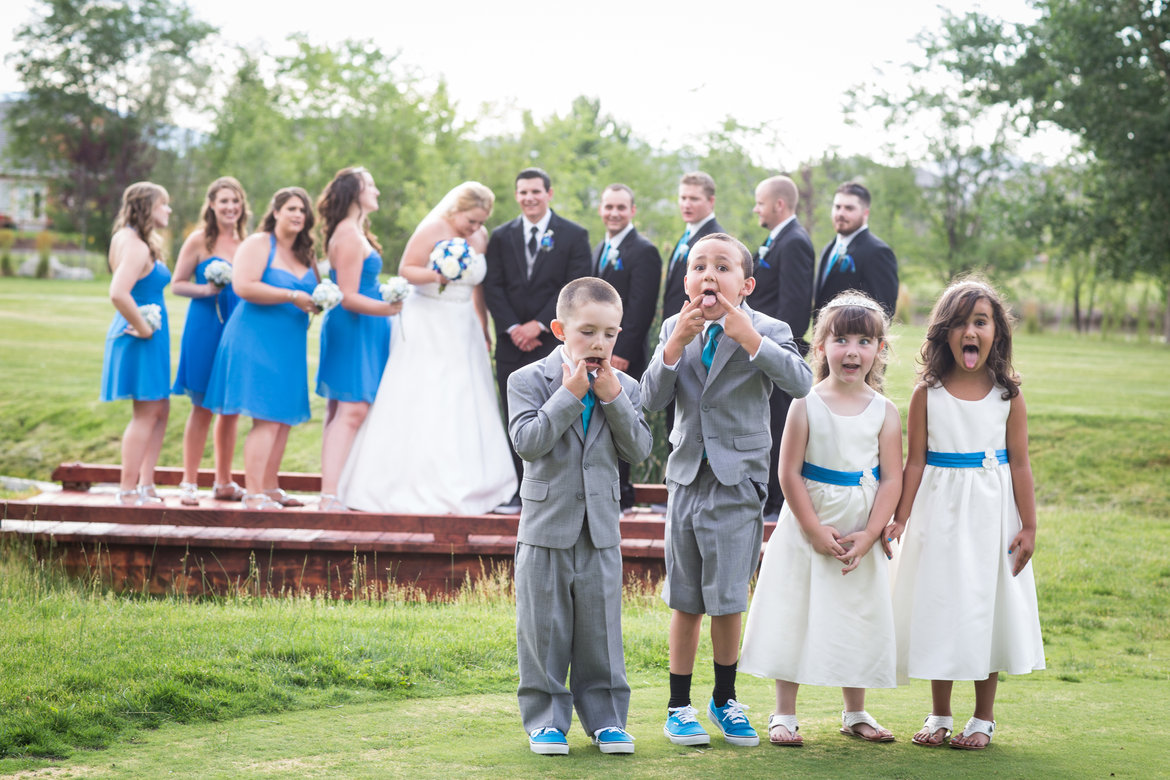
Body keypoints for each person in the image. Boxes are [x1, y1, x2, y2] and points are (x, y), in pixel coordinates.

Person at [640, 233, 813, 747]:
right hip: (687, 476)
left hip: (740, 480)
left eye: (722, 267)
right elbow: (651, 399)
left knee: (728, 597)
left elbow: (801, 382)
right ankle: (678, 705)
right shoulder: (676, 327)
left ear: (747, 283)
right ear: (687, 280)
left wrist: (749, 338)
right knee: (685, 597)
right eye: (698, 267)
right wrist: (672, 346)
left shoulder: (768, 328)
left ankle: (725, 698)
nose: (708, 275)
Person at [887, 277, 1045, 750]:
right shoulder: (926, 395)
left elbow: (1020, 462)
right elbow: (914, 461)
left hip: (992, 515)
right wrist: (900, 517)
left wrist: (1030, 525)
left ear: (996, 332)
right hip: (938, 511)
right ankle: (939, 713)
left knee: (985, 604)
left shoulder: (1007, 396)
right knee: (940, 603)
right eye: (959, 323)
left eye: (980, 322)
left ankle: (983, 717)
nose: (969, 331)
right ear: (944, 333)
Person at [739, 291, 902, 746]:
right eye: (842, 340)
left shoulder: (885, 411)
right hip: (808, 523)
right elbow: (788, 471)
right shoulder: (804, 404)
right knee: (795, 608)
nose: (853, 351)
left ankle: (855, 711)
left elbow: (891, 479)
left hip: (858, 529)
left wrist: (870, 533)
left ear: (880, 350)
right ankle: (784, 714)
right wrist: (812, 528)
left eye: (865, 342)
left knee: (857, 612)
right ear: (821, 347)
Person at [507, 278, 653, 756]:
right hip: (547, 525)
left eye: (610, 333)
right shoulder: (527, 381)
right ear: (559, 329)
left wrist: (612, 399)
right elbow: (528, 442)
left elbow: (640, 449)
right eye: (587, 331)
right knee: (543, 628)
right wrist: (570, 393)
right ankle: (546, 720)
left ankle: (607, 718)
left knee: (601, 631)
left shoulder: (625, 386)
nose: (599, 343)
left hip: (600, 527)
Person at [339, 182, 517, 515]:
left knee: (467, 396)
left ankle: (475, 482)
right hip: (429, 319)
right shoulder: (434, 227)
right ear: (457, 209)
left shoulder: (480, 238)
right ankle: (411, 481)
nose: (474, 228)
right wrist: (438, 275)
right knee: (429, 393)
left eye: (480, 222)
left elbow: (478, 286)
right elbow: (407, 268)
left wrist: (482, 323)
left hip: (463, 323)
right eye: (470, 221)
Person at [203, 187, 320, 510]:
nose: (298, 215)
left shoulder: (305, 253)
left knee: (282, 416)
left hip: (290, 343)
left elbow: (315, 290)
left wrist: (319, 301)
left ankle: (270, 487)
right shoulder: (258, 243)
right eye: (292, 208)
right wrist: (292, 296)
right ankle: (253, 493)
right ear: (277, 211)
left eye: (303, 211)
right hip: (255, 339)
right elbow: (244, 286)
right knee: (266, 416)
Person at [483, 168, 592, 513]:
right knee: (516, 415)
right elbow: (493, 286)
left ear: (549, 193)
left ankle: (558, 492)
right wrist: (514, 326)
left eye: (535, 191)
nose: (529, 197)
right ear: (516, 196)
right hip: (511, 342)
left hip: (552, 342)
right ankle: (519, 491)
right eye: (522, 192)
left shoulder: (574, 235)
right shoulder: (501, 237)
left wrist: (539, 325)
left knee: (556, 415)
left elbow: (575, 285)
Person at [315, 167, 403, 512]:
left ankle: (336, 488)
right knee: (351, 409)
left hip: (364, 326)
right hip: (354, 325)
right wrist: (390, 308)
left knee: (343, 408)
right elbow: (347, 295)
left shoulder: (355, 230)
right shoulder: (349, 234)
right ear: (355, 193)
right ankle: (328, 496)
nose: (377, 191)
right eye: (371, 186)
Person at [171, 176, 250, 506]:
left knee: (230, 408)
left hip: (238, 326)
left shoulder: (248, 242)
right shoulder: (199, 240)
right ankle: (189, 482)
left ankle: (224, 481)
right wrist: (206, 290)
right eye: (224, 201)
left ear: (242, 206)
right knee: (202, 406)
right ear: (212, 205)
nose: (230, 207)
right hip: (205, 325)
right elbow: (177, 284)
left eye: (235, 201)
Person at [100, 182, 173, 506]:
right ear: (147, 207)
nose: (168, 210)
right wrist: (144, 328)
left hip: (149, 333)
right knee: (146, 412)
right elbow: (118, 291)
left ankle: (147, 484)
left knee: (159, 408)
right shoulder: (136, 245)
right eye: (164, 204)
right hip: (141, 334)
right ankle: (129, 490)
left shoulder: (127, 238)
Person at [750, 174, 816, 519]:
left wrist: (770, 347)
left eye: (760, 202)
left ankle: (777, 503)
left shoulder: (794, 243)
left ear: (778, 204)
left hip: (777, 352)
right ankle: (770, 498)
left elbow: (794, 305)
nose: (755, 209)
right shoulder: (777, 240)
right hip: (763, 350)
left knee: (778, 427)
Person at [593, 183, 662, 509]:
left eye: (621, 207)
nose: (614, 213)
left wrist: (620, 353)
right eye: (609, 207)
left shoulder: (644, 251)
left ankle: (622, 494)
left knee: (621, 422)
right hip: (597, 353)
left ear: (632, 211)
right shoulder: (599, 250)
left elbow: (641, 308)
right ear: (601, 210)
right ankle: (605, 490)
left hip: (622, 356)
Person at [659, 172, 723, 447]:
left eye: (694, 199)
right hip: (677, 332)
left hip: (697, 332)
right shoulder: (687, 236)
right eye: (683, 197)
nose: (686, 204)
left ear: (710, 201)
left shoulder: (713, 241)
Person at [814, 182, 899, 320]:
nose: (840, 213)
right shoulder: (828, 249)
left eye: (849, 208)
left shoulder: (878, 252)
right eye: (837, 207)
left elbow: (883, 311)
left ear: (865, 213)